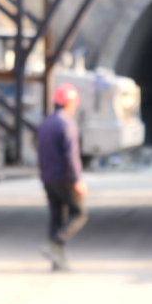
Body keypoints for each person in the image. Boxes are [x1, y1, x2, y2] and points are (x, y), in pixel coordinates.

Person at [37, 84, 88, 272]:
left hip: (48, 178)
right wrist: (76, 179)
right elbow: (71, 155)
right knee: (79, 214)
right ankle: (55, 244)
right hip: (64, 178)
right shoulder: (67, 124)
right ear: (69, 102)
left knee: (56, 218)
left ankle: (56, 262)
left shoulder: (46, 123)